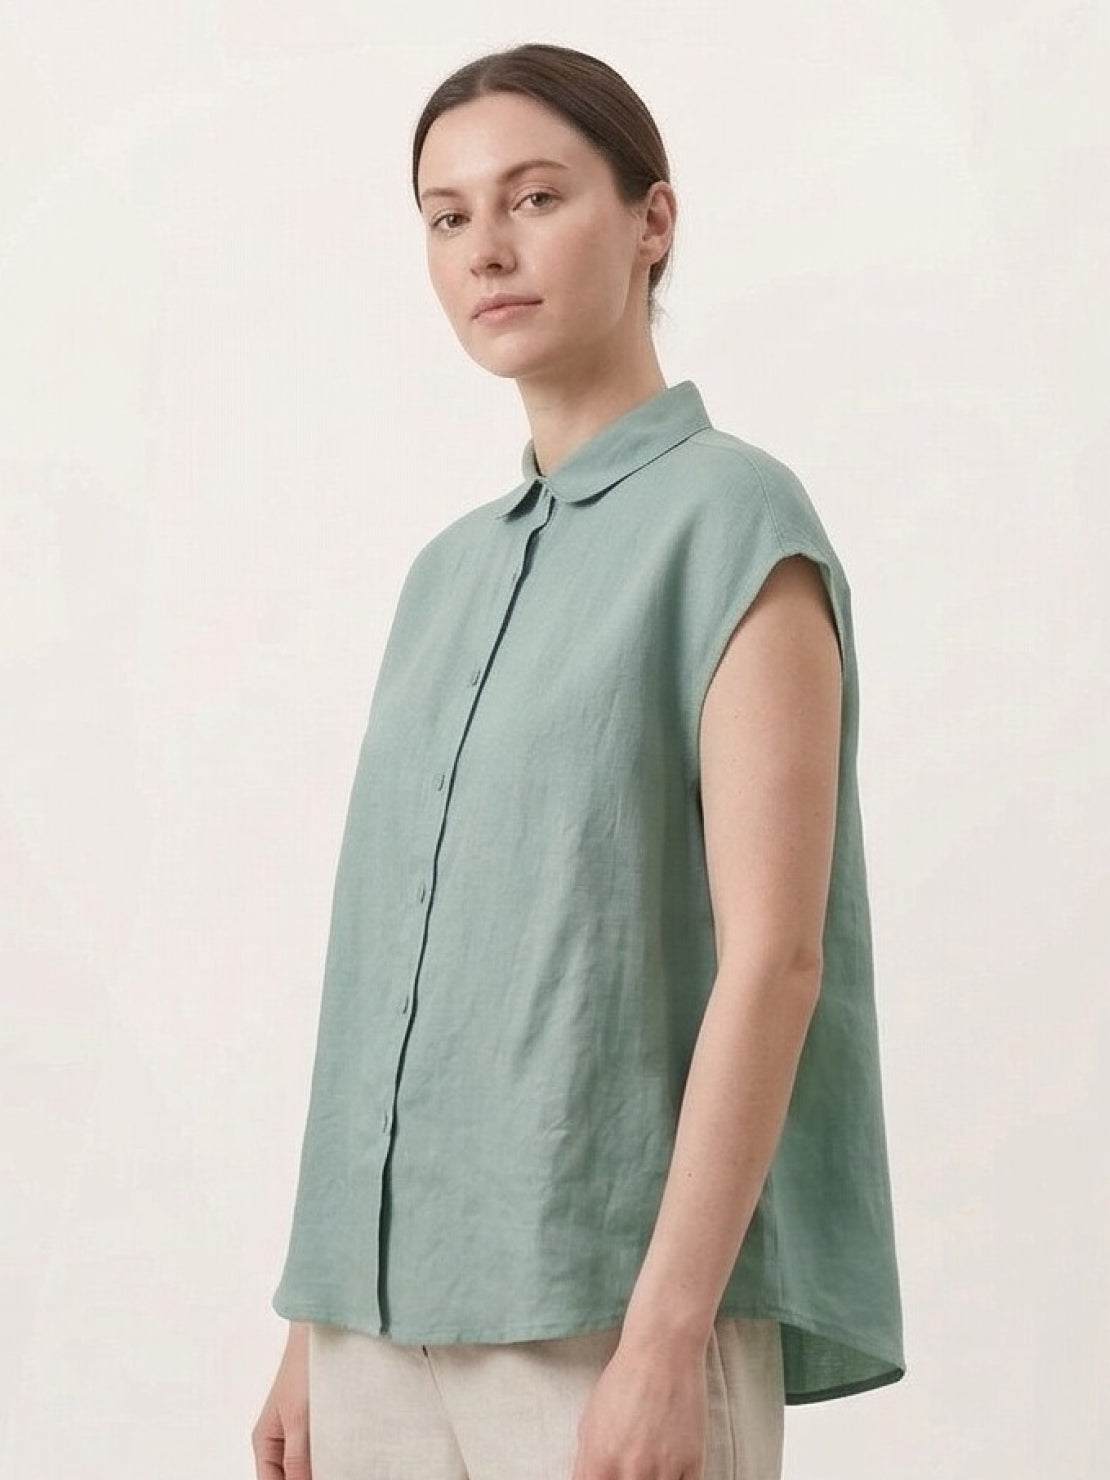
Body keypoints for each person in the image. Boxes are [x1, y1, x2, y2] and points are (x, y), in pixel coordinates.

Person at [251, 41, 906, 1480]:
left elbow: (775, 960)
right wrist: (313, 1320)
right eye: (447, 216)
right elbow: (385, 970)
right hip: (373, 1326)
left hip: (605, 1312)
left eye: (535, 197)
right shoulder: (443, 578)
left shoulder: (734, 522)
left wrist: (668, 1339)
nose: (486, 248)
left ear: (651, 220)